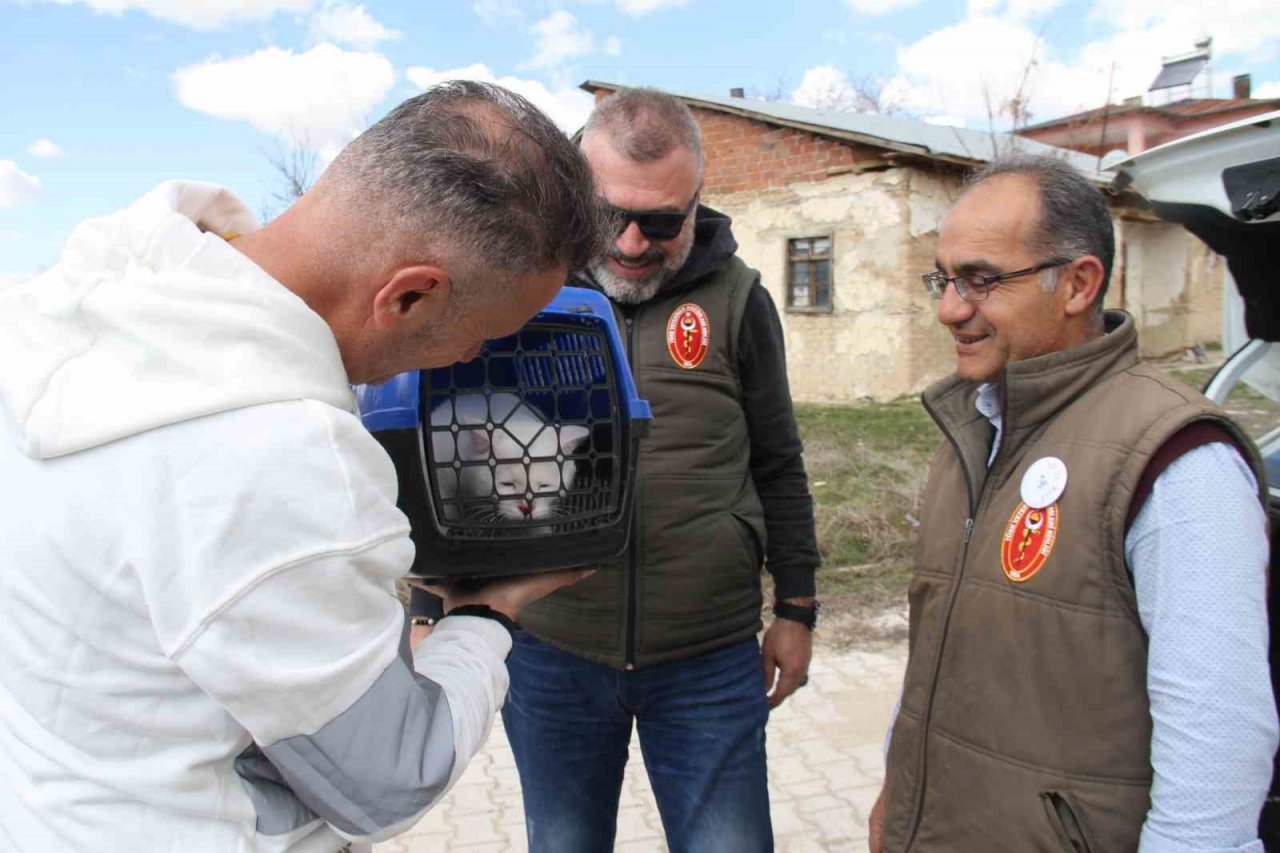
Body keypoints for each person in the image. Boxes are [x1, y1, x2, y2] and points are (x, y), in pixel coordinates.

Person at [0, 81, 606, 852]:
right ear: (412, 296)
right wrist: (484, 617)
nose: (473, 357)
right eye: (485, 333)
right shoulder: (282, 457)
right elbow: (387, 780)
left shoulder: (68, 310)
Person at [868, 154, 1277, 853]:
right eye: (943, 277)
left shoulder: (1180, 462)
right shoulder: (973, 430)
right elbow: (939, 642)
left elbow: (1217, 745)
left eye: (981, 280)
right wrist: (895, 788)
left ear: (1079, 284)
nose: (949, 308)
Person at [501, 86, 819, 852]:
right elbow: (460, 451)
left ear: (698, 200)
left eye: (663, 222)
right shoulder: (519, 290)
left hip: (708, 658)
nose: (635, 242)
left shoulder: (740, 299)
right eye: (612, 215)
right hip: (553, 650)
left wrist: (798, 608)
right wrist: (427, 606)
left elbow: (778, 459)